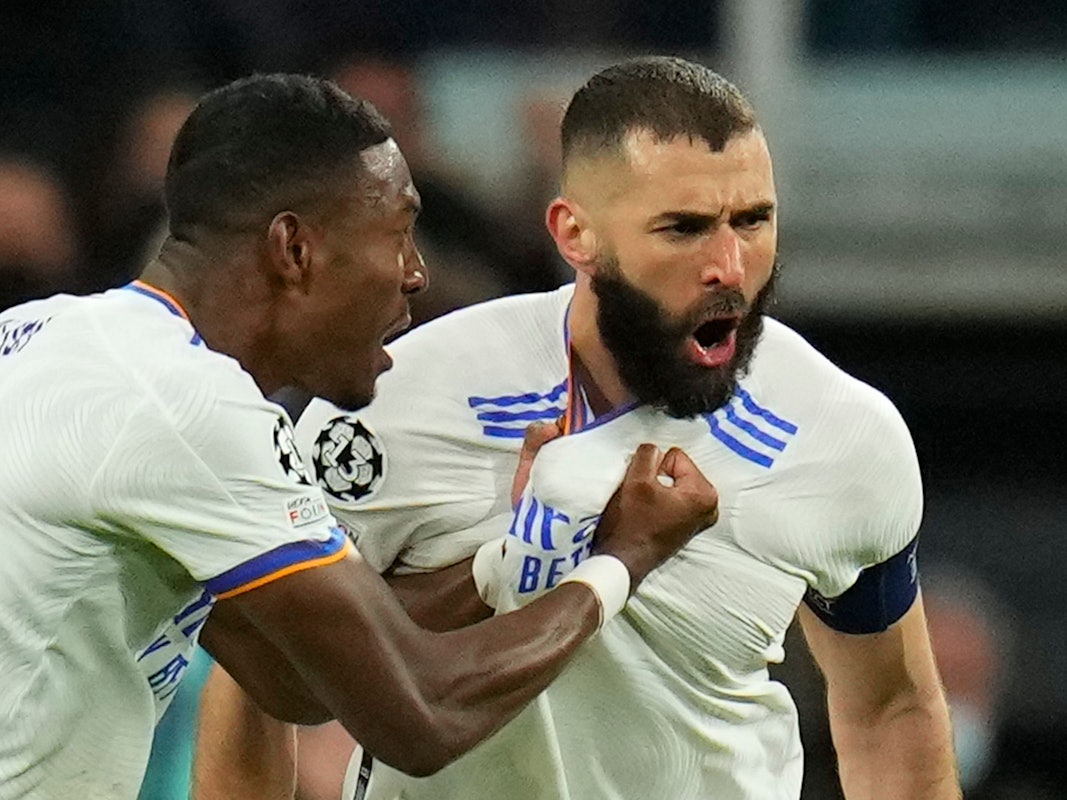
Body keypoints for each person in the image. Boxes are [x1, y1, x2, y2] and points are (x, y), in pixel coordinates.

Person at [194, 58, 960, 800]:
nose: (730, 264)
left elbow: (890, 706)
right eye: (683, 228)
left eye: (753, 220)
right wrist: (507, 563)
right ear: (574, 234)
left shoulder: (838, 432)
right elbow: (264, 683)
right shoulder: (394, 400)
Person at [0, 73, 719, 800]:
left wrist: (515, 554)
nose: (415, 272)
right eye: (397, 231)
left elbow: (290, 681)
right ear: (294, 249)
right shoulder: (187, 406)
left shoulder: (47, 335)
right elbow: (421, 716)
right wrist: (622, 555)